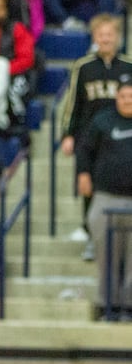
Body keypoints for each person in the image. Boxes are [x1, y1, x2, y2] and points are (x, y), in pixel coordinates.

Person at [60, 13, 132, 259]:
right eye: (101, 35)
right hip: (89, 137)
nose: (105, 39)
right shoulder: (83, 66)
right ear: (94, 38)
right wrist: (68, 134)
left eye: (110, 34)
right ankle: (92, 235)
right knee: (88, 185)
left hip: (122, 136)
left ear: (118, 37)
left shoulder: (129, 65)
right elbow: (72, 103)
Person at [77, 76, 132, 321]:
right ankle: (107, 304)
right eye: (123, 96)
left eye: (131, 97)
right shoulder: (102, 120)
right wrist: (83, 174)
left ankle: (129, 306)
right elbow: (84, 150)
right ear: (116, 97)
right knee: (106, 255)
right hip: (105, 197)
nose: (127, 100)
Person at [0, 0, 38, 138]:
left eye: (0, 8)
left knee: (12, 92)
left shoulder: (17, 29)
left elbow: (26, 59)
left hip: (15, 74)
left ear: (7, 10)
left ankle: (17, 129)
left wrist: (1, 71)